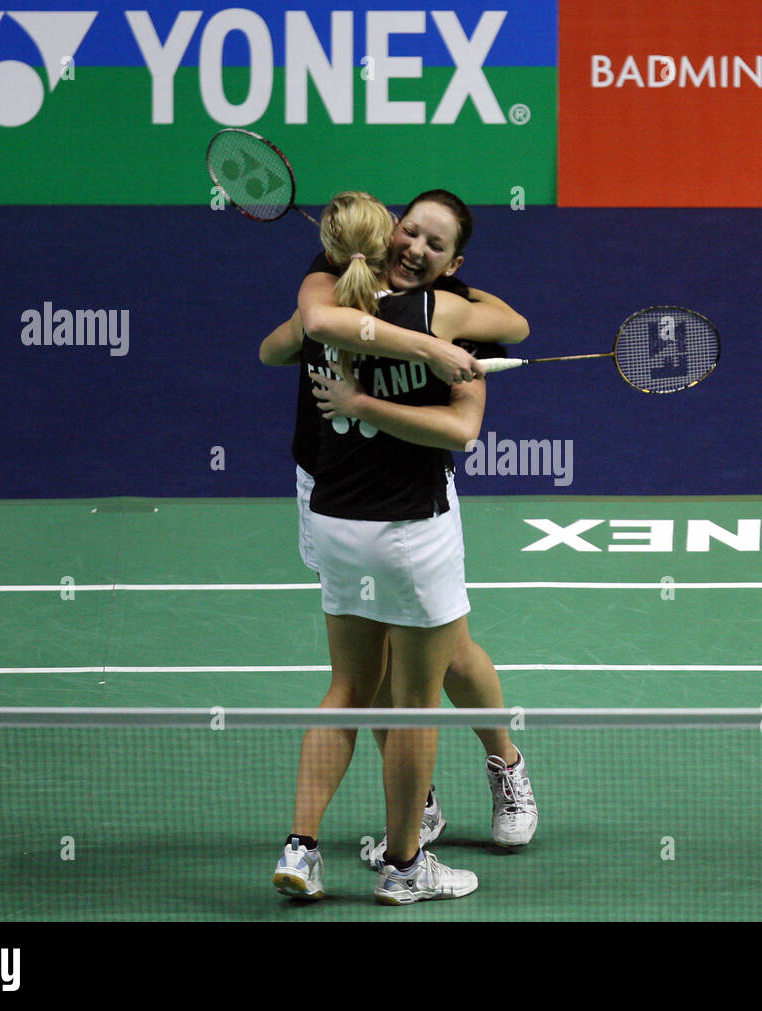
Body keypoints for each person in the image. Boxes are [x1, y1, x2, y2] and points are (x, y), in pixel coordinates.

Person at [261, 191, 539, 874]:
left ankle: (503, 761)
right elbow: (283, 343)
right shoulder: (331, 282)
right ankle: (412, 809)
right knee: (377, 675)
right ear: (386, 231)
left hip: (404, 500)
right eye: (409, 231)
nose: (415, 247)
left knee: (449, 655)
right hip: (328, 485)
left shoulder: (446, 307)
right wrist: (395, 346)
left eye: (434, 244)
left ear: (453, 262)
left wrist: (429, 338)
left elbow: (515, 327)